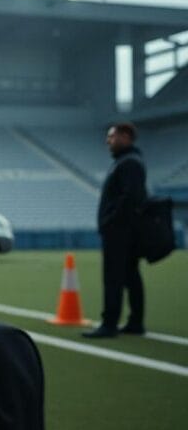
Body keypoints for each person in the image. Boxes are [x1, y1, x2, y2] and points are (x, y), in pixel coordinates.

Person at [82, 122, 147, 339]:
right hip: (126, 231)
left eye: (112, 136)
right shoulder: (128, 161)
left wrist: (110, 221)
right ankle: (135, 322)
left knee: (114, 278)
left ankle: (109, 324)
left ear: (125, 137)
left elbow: (129, 198)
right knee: (130, 276)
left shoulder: (129, 163)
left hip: (120, 232)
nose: (108, 141)